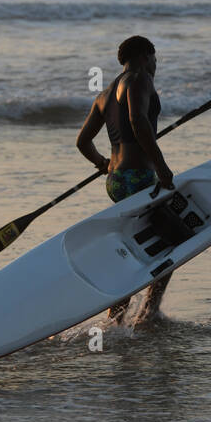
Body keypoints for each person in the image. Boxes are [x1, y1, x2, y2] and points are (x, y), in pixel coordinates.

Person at [76, 35, 175, 324]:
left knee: (136, 243)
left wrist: (103, 164)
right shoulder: (139, 79)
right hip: (140, 177)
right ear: (146, 55)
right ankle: (148, 313)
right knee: (170, 240)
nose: (156, 65)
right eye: (155, 59)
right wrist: (161, 166)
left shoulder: (104, 95)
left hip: (117, 181)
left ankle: (117, 318)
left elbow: (83, 142)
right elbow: (137, 121)